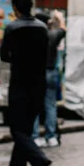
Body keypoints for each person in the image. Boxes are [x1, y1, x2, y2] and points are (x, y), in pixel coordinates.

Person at [0, 0, 52, 166]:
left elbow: (4, 55)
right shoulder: (42, 28)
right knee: (25, 130)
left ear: (15, 8)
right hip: (38, 84)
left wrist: (18, 59)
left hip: (19, 83)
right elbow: (45, 56)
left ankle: (40, 160)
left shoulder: (12, 27)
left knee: (17, 130)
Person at [33, 9, 66, 148]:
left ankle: (34, 136)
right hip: (50, 71)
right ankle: (51, 136)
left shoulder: (33, 37)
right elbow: (63, 29)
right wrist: (59, 18)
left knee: (34, 106)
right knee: (50, 105)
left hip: (35, 72)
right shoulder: (52, 35)